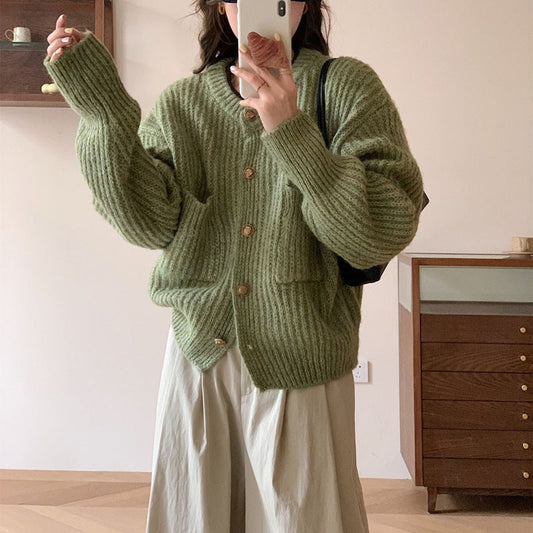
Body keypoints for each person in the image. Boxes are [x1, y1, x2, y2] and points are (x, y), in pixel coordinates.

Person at [44, 1, 425, 531]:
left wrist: (290, 129)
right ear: (219, 7)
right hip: (199, 358)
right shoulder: (183, 103)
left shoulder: (346, 88)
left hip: (301, 359)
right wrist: (103, 113)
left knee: (302, 519)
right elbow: (148, 224)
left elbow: (375, 234)